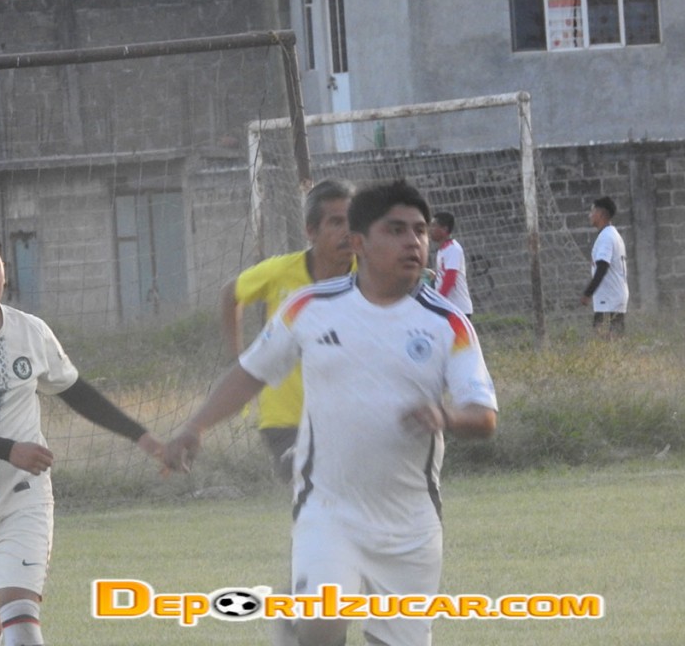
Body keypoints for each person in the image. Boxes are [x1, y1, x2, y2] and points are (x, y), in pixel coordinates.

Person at [164, 180, 498, 646]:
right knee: (322, 624)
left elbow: (484, 415)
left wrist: (448, 417)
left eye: (420, 231)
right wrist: (195, 426)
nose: (413, 242)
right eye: (396, 230)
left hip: (411, 525)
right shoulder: (310, 307)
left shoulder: (448, 323)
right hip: (327, 510)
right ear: (359, 242)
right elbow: (251, 372)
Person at [0, 224, 163, 646]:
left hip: (24, 495)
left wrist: (141, 436)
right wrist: (10, 449)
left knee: (20, 613)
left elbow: (76, 391)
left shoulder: (31, 331)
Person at [220, 178, 353, 481]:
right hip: (286, 419)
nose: (347, 231)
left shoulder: (371, 278)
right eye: (336, 223)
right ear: (311, 231)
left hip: (347, 419)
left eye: (353, 222)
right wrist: (237, 359)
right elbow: (230, 294)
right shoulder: (280, 272)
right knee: (313, 487)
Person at [580, 196, 628, 338]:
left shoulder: (606, 237)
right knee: (615, 339)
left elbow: (602, 268)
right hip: (615, 296)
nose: (590, 215)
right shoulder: (613, 234)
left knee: (602, 340)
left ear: (600, 214)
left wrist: (588, 293)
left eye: (592, 211)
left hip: (608, 298)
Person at [429, 211, 473, 317]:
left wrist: (437, 301)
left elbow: (450, 279)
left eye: (434, 226)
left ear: (444, 229)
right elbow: (444, 275)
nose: (430, 229)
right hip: (448, 307)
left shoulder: (453, 249)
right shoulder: (442, 250)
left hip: (458, 309)